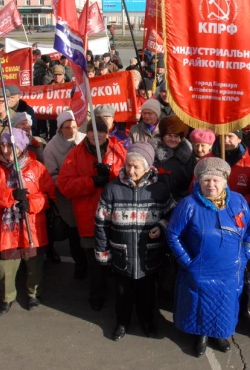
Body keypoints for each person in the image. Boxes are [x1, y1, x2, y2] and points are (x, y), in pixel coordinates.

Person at [166, 157, 250, 357]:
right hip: (200, 269)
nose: (211, 184)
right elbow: (173, 235)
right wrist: (188, 262)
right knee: (199, 304)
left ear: (225, 182)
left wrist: (246, 253)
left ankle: (220, 334)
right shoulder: (188, 205)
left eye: (216, 180)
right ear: (198, 181)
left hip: (231, 270)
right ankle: (201, 335)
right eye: (206, 180)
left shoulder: (239, 202)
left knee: (226, 304)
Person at [95, 142, 175, 340]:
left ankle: (147, 321)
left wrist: (163, 226)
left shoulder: (159, 189)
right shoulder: (112, 189)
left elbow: (173, 214)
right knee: (123, 293)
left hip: (149, 255)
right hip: (122, 254)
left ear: (147, 167)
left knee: (147, 293)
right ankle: (122, 322)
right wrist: (103, 252)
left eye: (136, 166)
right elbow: (101, 222)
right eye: (128, 165)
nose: (130, 170)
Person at [0, 128, 56, 315]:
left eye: (10, 146)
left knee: (34, 265)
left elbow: (50, 196)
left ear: (20, 147)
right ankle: (7, 297)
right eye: (3, 145)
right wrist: (9, 195)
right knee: (4, 267)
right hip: (5, 229)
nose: (5, 150)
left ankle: (33, 293)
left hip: (31, 226)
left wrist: (31, 203)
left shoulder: (36, 168)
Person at [58, 117, 126, 311]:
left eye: (101, 132)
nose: (97, 136)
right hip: (89, 216)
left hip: (115, 216)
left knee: (117, 257)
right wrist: (92, 181)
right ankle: (97, 294)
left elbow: (130, 178)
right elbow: (65, 185)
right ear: (86, 133)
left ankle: (119, 294)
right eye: (92, 132)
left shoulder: (118, 150)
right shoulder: (75, 154)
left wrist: (111, 174)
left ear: (108, 132)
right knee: (94, 261)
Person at [43, 110, 88, 279]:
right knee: (74, 233)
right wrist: (69, 185)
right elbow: (51, 175)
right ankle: (80, 265)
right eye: (67, 127)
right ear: (60, 128)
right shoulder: (51, 148)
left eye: (74, 127)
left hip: (86, 193)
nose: (72, 131)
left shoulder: (84, 139)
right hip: (66, 197)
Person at [210, 130, 250, 209]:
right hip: (211, 209)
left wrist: (237, 203)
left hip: (239, 212)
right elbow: (195, 186)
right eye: (223, 136)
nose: (226, 140)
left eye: (230, 136)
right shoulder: (207, 160)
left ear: (239, 139)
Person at [150, 115, 194, 200]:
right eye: (170, 135)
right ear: (163, 136)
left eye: (176, 136)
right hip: (157, 199)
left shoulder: (188, 155)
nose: (173, 139)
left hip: (182, 199)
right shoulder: (152, 152)